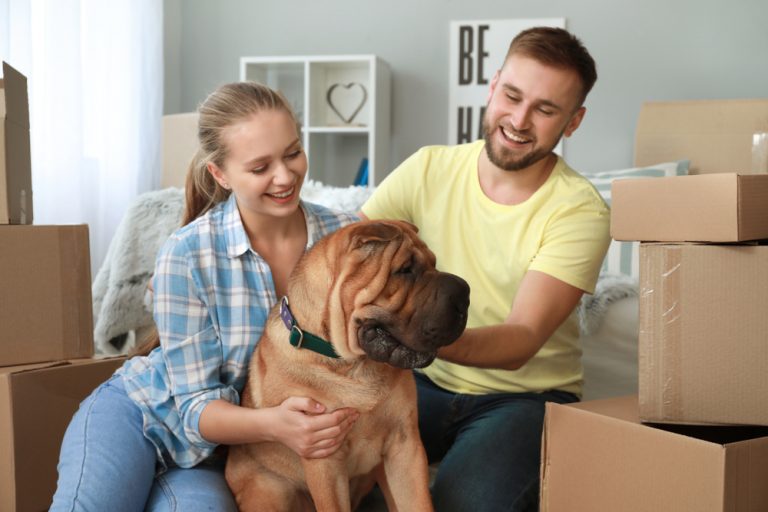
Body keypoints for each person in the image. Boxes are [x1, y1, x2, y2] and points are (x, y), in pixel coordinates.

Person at [51, 82, 360, 511]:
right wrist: (278, 425)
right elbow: (196, 408)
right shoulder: (187, 253)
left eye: (292, 153)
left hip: (214, 458)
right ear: (220, 174)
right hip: (141, 420)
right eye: (259, 167)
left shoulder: (344, 235)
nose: (286, 176)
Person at [360, 27, 610, 511]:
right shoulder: (428, 168)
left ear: (573, 122)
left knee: (462, 504)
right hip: (423, 383)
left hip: (525, 399)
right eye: (512, 96)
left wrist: (418, 336)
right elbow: (352, 255)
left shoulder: (580, 210)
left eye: (545, 109)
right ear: (493, 86)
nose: (518, 120)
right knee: (345, 483)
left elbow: (520, 339)